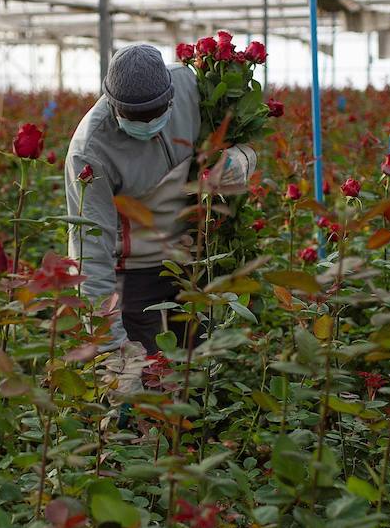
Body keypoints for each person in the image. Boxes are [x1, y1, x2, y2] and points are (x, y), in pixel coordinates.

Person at [64, 44, 256, 395]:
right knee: (147, 381)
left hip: (196, 260)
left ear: (171, 96)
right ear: (111, 103)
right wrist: (111, 346)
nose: (148, 125)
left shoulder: (191, 85)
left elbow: (243, 140)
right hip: (135, 272)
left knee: (201, 374)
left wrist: (240, 161)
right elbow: (90, 250)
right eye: (134, 117)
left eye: (155, 113)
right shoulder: (91, 150)